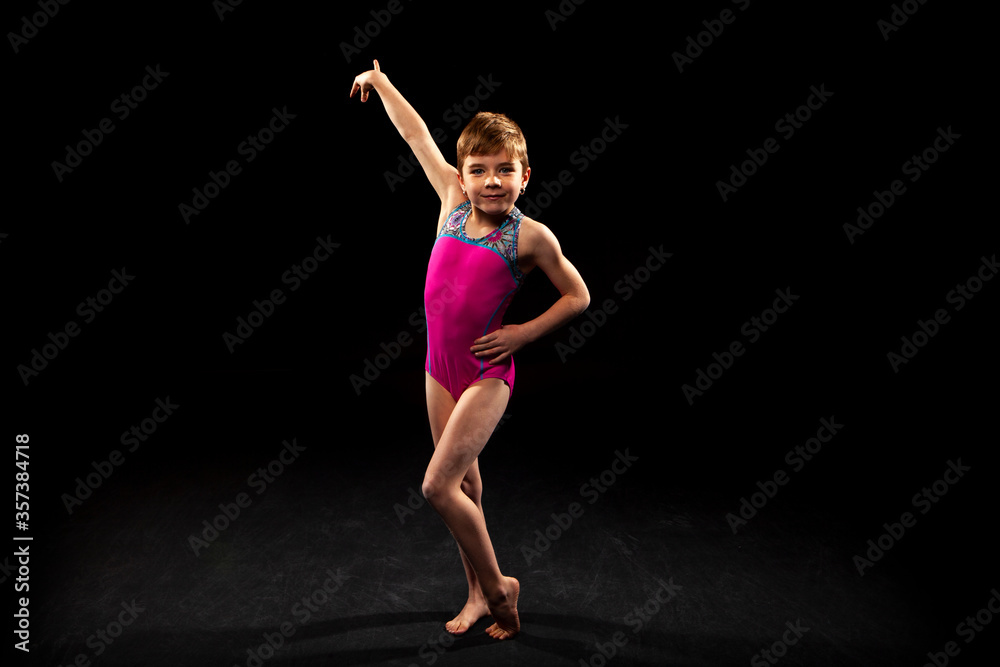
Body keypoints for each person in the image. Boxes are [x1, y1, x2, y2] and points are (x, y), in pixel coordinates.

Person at [350, 60, 590, 640]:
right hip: (439, 369)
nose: (490, 181)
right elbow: (415, 134)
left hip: (485, 372)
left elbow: (577, 295)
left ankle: (501, 586)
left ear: (525, 176)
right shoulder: (451, 203)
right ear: (462, 174)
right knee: (465, 487)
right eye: (478, 170)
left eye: (504, 170)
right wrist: (382, 83)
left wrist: (521, 333)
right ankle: (477, 594)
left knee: (436, 487)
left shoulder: (530, 236)